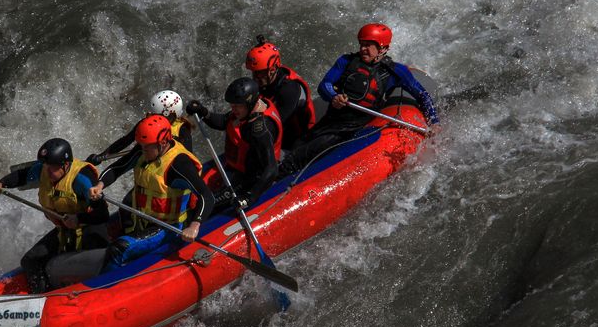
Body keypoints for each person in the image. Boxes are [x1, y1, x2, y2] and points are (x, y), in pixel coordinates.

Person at [279, 23, 439, 176]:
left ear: (382, 48)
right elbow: (324, 85)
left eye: (368, 45)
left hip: (350, 130)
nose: (363, 49)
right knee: (296, 146)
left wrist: (434, 121)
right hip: (330, 121)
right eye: (361, 44)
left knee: (296, 160)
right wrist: (334, 96)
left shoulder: (395, 72)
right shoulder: (346, 61)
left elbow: (422, 94)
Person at [89, 115, 214, 270]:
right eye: (141, 145)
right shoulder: (145, 149)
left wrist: (194, 226)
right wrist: (100, 184)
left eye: (146, 147)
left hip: (167, 228)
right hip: (141, 219)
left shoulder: (179, 164)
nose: (142, 150)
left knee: (118, 248)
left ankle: (107, 282)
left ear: (162, 143)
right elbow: (118, 167)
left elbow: (206, 196)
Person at [0, 138, 108, 293]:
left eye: (53, 167)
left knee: (89, 266)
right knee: (30, 261)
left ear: (65, 165)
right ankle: (42, 296)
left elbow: (102, 214)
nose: (48, 171)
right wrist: (1, 183)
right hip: (65, 232)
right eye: (46, 166)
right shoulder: (44, 170)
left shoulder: (82, 178)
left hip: (91, 230)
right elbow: (22, 175)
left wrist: (79, 219)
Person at [186, 77, 282, 209]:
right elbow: (223, 122)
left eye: (237, 106)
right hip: (235, 168)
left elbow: (271, 169)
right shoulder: (245, 111)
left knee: (205, 204)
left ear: (250, 103)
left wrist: (249, 197)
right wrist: (203, 112)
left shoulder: (260, 130)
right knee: (194, 197)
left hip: (251, 179)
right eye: (232, 105)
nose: (233, 109)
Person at [86, 89, 193, 167]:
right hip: (148, 167)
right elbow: (125, 141)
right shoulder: (148, 124)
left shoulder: (182, 129)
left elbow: (187, 156)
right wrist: (101, 156)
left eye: (155, 114)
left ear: (169, 116)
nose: (149, 116)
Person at [245, 35, 315, 149]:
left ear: (272, 70)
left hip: (298, 140)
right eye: (253, 72)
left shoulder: (289, 90)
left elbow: (272, 126)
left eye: (259, 73)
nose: (255, 77)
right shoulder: (265, 80)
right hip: (279, 133)